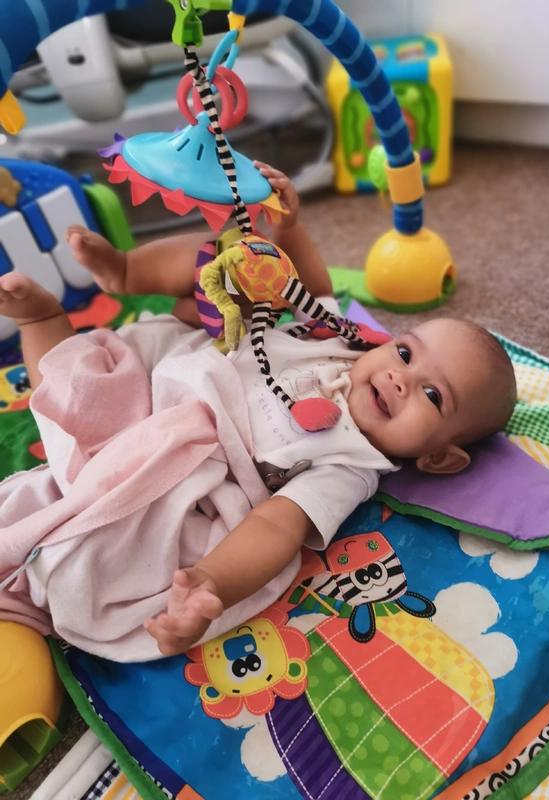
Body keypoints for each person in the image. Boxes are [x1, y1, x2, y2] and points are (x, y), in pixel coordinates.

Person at [0, 164, 517, 657]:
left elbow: (276, 526)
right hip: (185, 351)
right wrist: (288, 226)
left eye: (432, 396)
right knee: (241, 257)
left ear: (441, 458)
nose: (399, 379)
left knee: (80, 405)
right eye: (405, 353)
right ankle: (127, 270)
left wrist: (211, 584)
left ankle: (41, 320)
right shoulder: (344, 341)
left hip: (168, 439)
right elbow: (307, 285)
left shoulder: (352, 463)